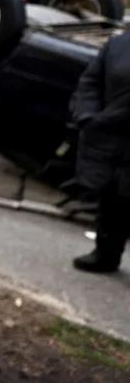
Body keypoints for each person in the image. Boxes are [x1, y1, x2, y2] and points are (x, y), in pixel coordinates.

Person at [70, 30, 130, 273]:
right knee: (112, 198)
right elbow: (90, 82)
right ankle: (106, 254)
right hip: (111, 140)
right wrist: (87, 115)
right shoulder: (119, 44)